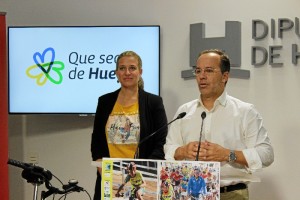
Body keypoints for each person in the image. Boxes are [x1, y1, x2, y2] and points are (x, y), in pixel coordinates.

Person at [164, 49, 274, 200]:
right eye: (198, 71)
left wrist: (228, 154)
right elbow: (169, 148)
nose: (201, 76)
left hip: (231, 194)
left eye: (209, 70)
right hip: (190, 193)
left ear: (225, 76)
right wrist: (182, 151)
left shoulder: (245, 112)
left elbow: (266, 154)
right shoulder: (184, 111)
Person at [91, 50, 168, 200]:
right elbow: (97, 142)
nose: (127, 72)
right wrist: (106, 172)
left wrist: (142, 172)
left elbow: (161, 143)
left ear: (140, 71)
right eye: (122, 68)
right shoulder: (104, 101)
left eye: (132, 68)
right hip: (108, 178)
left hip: (141, 178)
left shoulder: (153, 102)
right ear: (116, 73)